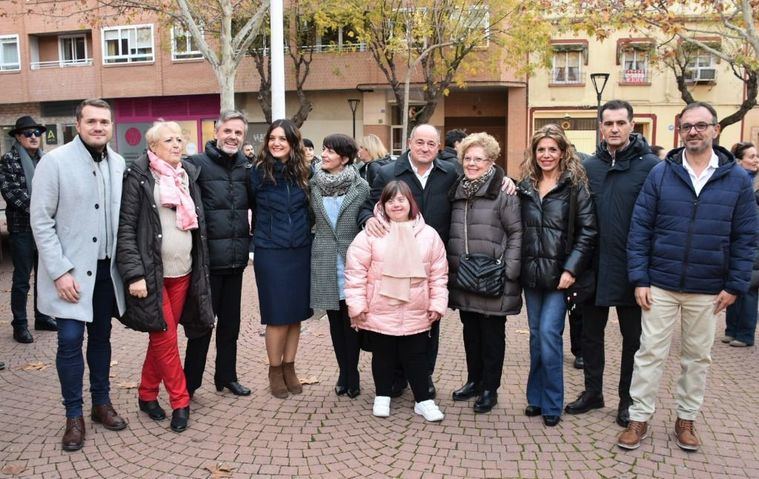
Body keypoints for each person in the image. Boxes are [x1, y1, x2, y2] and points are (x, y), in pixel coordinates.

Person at [619, 102, 758, 451]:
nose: (693, 132)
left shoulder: (737, 179)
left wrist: (734, 284)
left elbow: (746, 237)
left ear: (715, 130)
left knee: (697, 358)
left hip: (708, 288)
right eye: (686, 126)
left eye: (700, 125)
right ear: (679, 131)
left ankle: (686, 420)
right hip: (660, 283)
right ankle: (639, 419)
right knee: (649, 354)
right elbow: (640, 228)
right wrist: (639, 277)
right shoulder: (662, 173)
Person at [30, 98, 128, 452]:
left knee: (101, 340)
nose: (99, 127)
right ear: (78, 123)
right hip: (69, 277)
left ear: (111, 126)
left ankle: (100, 403)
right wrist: (59, 272)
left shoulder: (118, 164)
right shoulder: (53, 162)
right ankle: (74, 416)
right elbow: (40, 221)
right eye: (92, 121)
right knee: (70, 342)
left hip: (106, 273)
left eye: (104, 121)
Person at [564, 100, 659, 428]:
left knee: (633, 340)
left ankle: (627, 399)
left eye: (621, 122)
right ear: (600, 128)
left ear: (632, 125)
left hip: (633, 269)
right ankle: (593, 393)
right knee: (590, 336)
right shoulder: (588, 167)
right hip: (592, 269)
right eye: (609, 123)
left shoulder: (650, 167)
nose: (615, 129)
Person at [116, 121, 214, 433]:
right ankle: (180, 401)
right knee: (166, 338)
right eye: (168, 140)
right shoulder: (139, 176)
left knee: (161, 337)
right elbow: (126, 229)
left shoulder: (187, 175)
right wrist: (134, 274)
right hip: (153, 276)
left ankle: (146, 394)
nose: (176, 144)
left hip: (183, 271)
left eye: (179, 139)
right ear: (153, 146)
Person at [358, 124, 460, 398]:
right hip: (395, 260)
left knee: (429, 321)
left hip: (431, 259)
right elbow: (369, 205)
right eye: (420, 142)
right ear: (409, 143)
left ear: (438, 146)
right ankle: (396, 378)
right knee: (395, 320)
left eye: (431, 143)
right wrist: (368, 220)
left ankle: (423, 378)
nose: (425, 148)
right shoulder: (388, 172)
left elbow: (479, 178)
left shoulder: (451, 172)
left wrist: (504, 179)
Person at [345, 181, 448, 421]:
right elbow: (355, 273)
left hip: (416, 309)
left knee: (417, 357)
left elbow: (439, 273)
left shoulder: (428, 235)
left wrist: (437, 304)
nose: (396, 204)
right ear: (383, 204)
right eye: (390, 200)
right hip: (380, 308)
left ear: (411, 202)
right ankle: (382, 396)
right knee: (383, 355)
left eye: (401, 199)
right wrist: (357, 307)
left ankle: (423, 400)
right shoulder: (370, 234)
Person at [518, 124, 597, 427]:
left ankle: (552, 401)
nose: (546, 155)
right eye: (541, 150)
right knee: (537, 337)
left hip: (559, 277)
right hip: (531, 275)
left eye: (552, 149)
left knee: (550, 335)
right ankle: (535, 398)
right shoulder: (525, 185)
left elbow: (589, 231)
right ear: (534, 153)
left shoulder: (575, 186)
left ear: (563, 153)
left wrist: (571, 269)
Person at [447, 132, 522, 414]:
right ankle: (474, 381)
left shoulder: (504, 192)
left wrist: (510, 271)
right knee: (471, 334)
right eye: (468, 158)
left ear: (491, 162)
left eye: (479, 158)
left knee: (492, 337)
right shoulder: (457, 189)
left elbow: (516, 232)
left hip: (493, 275)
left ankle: (491, 388)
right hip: (465, 275)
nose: (472, 163)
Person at [183, 110, 252, 398]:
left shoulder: (247, 167)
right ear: (216, 131)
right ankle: (190, 384)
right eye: (228, 131)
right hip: (206, 264)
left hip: (235, 261)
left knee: (230, 327)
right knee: (202, 326)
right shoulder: (195, 166)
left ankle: (226, 376)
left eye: (238, 133)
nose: (232, 137)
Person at [250, 119, 313, 399]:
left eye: (282, 139)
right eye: (272, 138)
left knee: (295, 315)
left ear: (292, 143)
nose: (276, 143)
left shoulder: (304, 173)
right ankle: (275, 371)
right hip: (270, 251)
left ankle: (290, 367)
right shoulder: (257, 174)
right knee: (277, 316)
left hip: (300, 249)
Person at [310, 133, 370, 398]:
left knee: (352, 319)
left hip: (352, 258)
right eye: (324, 149)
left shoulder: (361, 187)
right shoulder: (313, 184)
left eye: (330, 151)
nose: (324, 154)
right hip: (324, 257)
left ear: (344, 158)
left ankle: (353, 372)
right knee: (335, 320)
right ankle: (343, 372)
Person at [0, 115, 58, 344]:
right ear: (18, 137)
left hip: (44, 230)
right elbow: (11, 193)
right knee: (22, 278)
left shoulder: (47, 160)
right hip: (23, 229)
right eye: (28, 133)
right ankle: (20, 324)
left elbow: (54, 190)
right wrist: (42, 211)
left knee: (44, 276)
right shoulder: (9, 160)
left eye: (37, 133)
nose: (34, 137)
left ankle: (42, 316)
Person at [724, 141, 759, 347]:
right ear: (739, 161)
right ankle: (731, 329)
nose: (756, 160)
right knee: (733, 284)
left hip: (754, 241)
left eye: (756, 156)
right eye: (751, 156)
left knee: (749, 286)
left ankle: (745, 334)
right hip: (734, 240)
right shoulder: (735, 181)